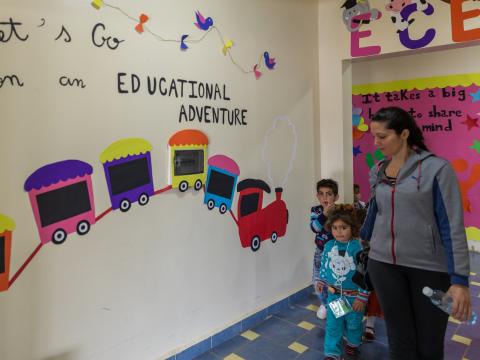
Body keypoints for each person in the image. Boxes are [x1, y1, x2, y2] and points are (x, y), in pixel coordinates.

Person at [361, 106, 472, 360]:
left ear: (404, 134)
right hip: (383, 266)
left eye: (382, 136)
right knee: (399, 340)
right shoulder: (377, 170)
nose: (376, 143)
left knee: (430, 342)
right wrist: (362, 246)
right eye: (374, 136)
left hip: (430, 269)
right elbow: (374, 212)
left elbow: (452, 225)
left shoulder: (437, 170)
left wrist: (459, 280)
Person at [318, 204, 369, 360]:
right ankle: (332, 353)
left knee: (353, 325)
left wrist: (362, 297)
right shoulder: (328, 246)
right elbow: (325, 264)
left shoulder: (357, 248)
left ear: (352, 228)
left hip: (354, 298)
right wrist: (321, 279)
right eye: (334, 227)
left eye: (343, 227)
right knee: (334, 325)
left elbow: (366, 274)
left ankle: (353, 344)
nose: (338, 232)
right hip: (336, 296)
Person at [311, 179, 339, 319]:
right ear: (317, 196)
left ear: (336, 197)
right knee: (318, 283)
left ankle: (339, 311)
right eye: (321, 194)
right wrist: (324, 215)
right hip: (320, 253)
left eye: (329, 194)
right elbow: (315, 228)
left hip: (337, 255)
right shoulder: (316, 211)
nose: (325, 198)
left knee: (337, 284)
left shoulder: (340, 211)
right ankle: (327, 305)